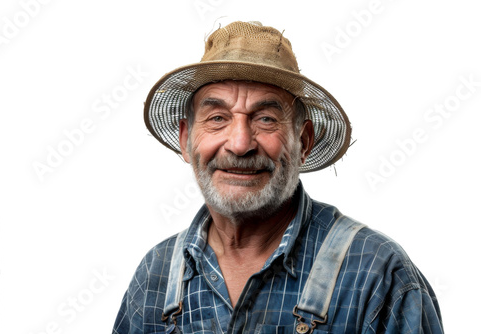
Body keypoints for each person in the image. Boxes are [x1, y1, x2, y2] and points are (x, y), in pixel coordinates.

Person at [112, 21, 443, 333]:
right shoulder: (153, 276)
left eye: (266, 119)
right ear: (186, 140)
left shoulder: (379, 274)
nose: (240, 144)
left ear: (303, 142)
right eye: (217, 118)